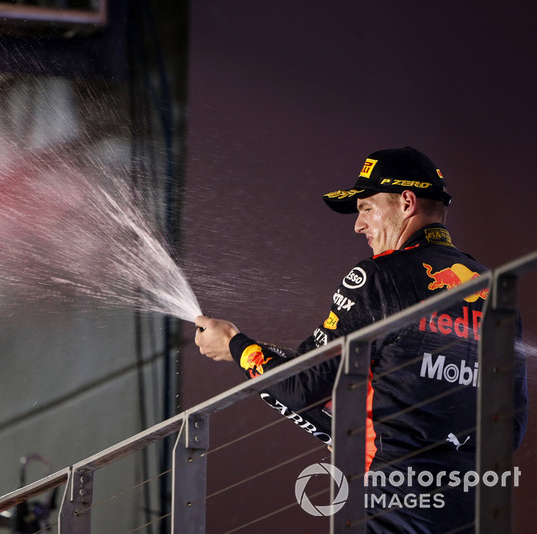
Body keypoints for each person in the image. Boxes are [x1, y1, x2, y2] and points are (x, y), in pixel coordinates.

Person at [194, 146, 528, 533]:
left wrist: (235, 345)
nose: (359, 225)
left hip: (391, 508)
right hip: (475, 508)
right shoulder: (495, 293)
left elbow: (303, 385)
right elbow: (511, 427)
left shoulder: (378, 276)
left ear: (406, 202)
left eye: (366, 208)